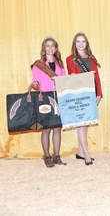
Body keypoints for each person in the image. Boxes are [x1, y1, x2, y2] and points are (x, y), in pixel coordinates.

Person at [66, 32, 102, 165]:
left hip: (91, 93)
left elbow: (96, 77)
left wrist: (99, 94)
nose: (81, 44)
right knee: (81, 124)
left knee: (86, 122)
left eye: (83, 41)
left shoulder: (92, 58)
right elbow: (73, 77)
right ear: (74, 44)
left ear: (86, 43)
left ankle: (80, 152)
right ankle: (86, 154)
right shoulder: (70, 59)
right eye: (78, 42)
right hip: (79, 94)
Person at [32, 36, 67, 167]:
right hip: (45, 98)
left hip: (58, 97)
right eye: (48, 45)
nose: (50, 48)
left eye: (53, 45)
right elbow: (36, 82)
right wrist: (35, 84)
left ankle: (56, 156)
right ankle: (47, 156)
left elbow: (64, 80)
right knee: (46, 128)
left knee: (57, 127)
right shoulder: (38, 64)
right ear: (44, 48)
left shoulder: (60, 64)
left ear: (55, 48)